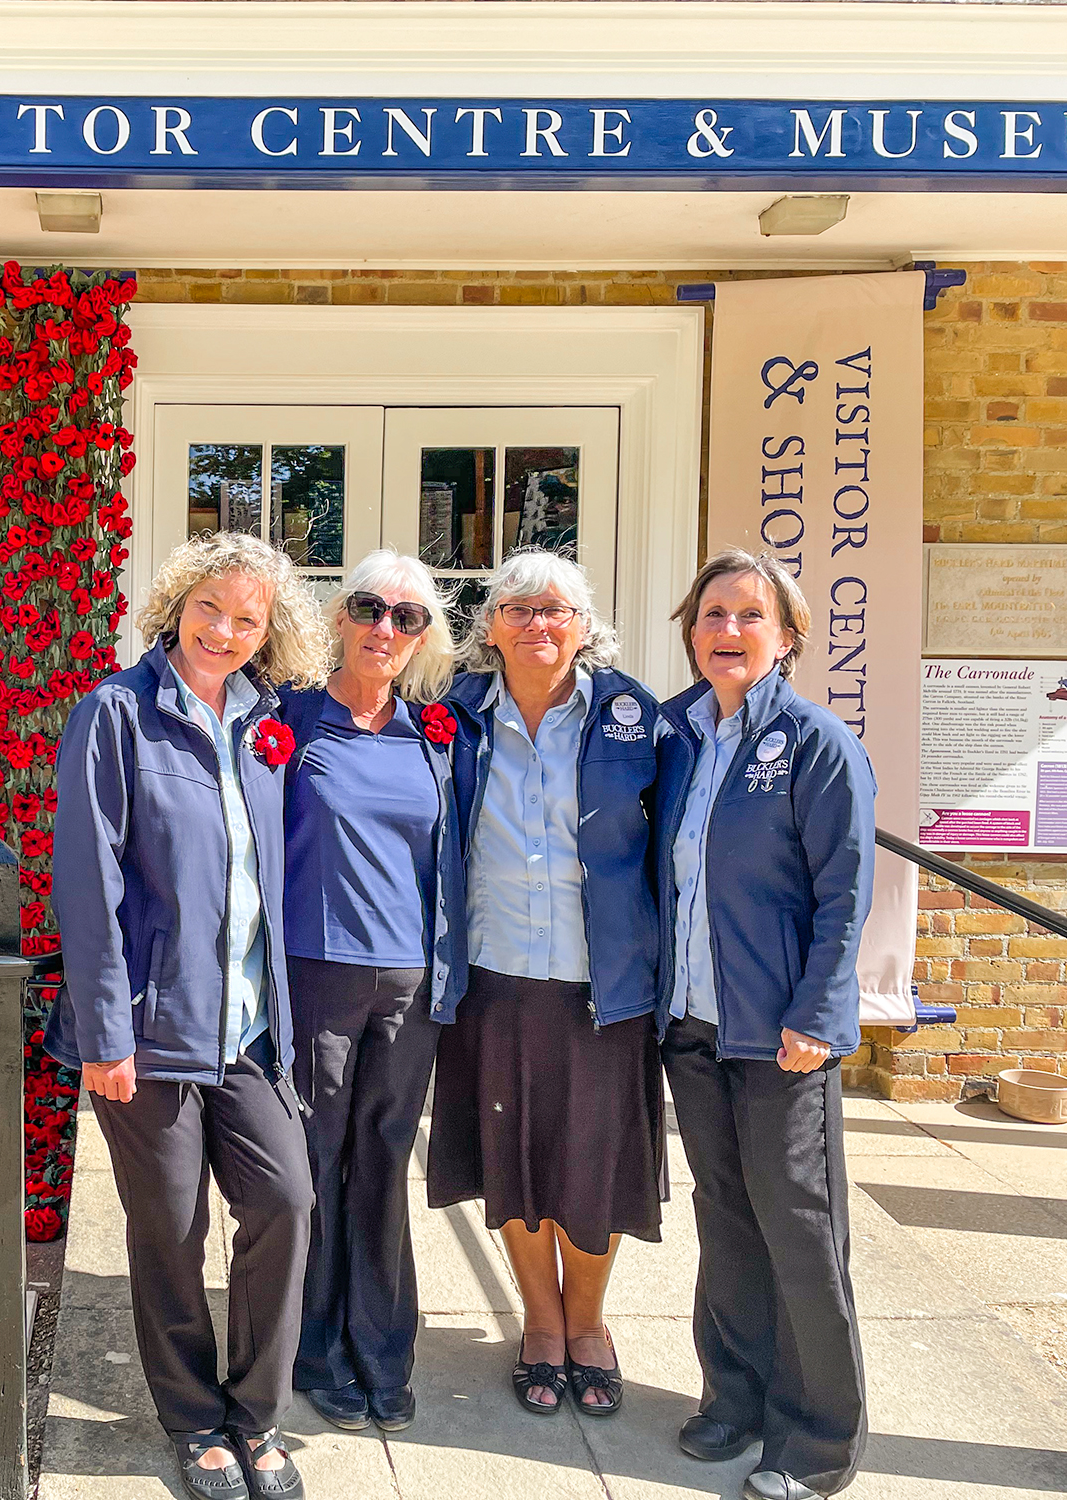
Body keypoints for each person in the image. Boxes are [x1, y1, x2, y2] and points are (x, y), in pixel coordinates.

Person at [48, 531, 331, 1500]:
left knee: (284, 1203)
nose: (222, 630)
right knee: (167, 1228)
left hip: (248, 1032)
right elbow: (85, 886)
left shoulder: (262, 724)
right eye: (208, 608)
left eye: (246, 619)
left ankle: (256, 1416)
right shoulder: (115, 715)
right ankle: (193, 1421)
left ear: (266, 635)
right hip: (150, 1030)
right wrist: (103, 1033)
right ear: (175, 604)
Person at [654, 548, 875, 1500]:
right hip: (694, 1026)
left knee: (801, 1228)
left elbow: (843, 893)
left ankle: (817, 1439)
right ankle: (734, 1398)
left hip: (782, 1036)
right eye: (712, 614)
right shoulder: (674, 734)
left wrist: (820, 1015)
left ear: (786, 638)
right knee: (726, 1219)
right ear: (691, 630)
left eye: (750, 616)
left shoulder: (819, 743)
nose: (728, 631)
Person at [425, 548, 664, 1419]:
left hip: (601, 984)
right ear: (488, 627)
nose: (537, 623)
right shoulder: (450, 715)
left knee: (593, 1164)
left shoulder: (635, 716)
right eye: (518, 608)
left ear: (585, 626)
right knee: (514, 1158)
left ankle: (589, 1323)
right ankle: (540, 1320)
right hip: (490, 977)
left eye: (556, 609)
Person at [273, 550, 458, 1435]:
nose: (386, 629)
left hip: (409, 984)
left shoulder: (437, 732)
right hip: (317, 973)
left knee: (384, 1164)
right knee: (314, 1161)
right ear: (341, 616)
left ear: (424, 638)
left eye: (408, 618)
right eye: (370, 609)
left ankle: (382, 1348)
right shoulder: (289, 719)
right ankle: (313, 1348)